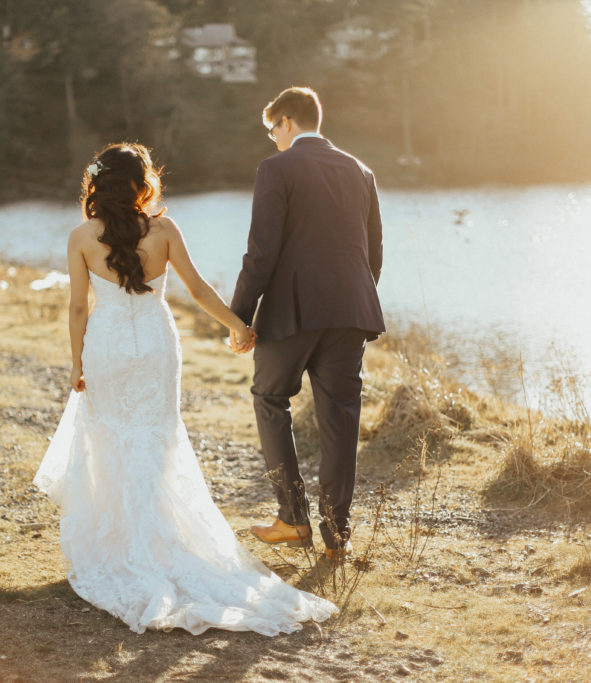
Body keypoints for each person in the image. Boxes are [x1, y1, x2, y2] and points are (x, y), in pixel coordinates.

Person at [33, 143, 336, 636]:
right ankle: (161, 541)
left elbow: (77, 308)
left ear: (97, 184)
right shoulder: (165, 231)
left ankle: (121, 547)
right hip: (155, 344)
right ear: (141, 184)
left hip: (106, 346)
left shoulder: (81, 237)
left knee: (110, 436)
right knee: (157, 435)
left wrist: (75, 363)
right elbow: (197, 288)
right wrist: (238, 325)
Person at [230, 87, 385, 560]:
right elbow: (373, 255)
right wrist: (350, 303)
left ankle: (293, 519)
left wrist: (239, 317)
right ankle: (337, 533)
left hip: (291, 313)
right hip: (350, 312)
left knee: (269, 398)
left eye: (272, 127)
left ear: (288, 122)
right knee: (340, 417)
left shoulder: (276, 168)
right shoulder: (362, 171)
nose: (272, 137)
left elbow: (262, 253)